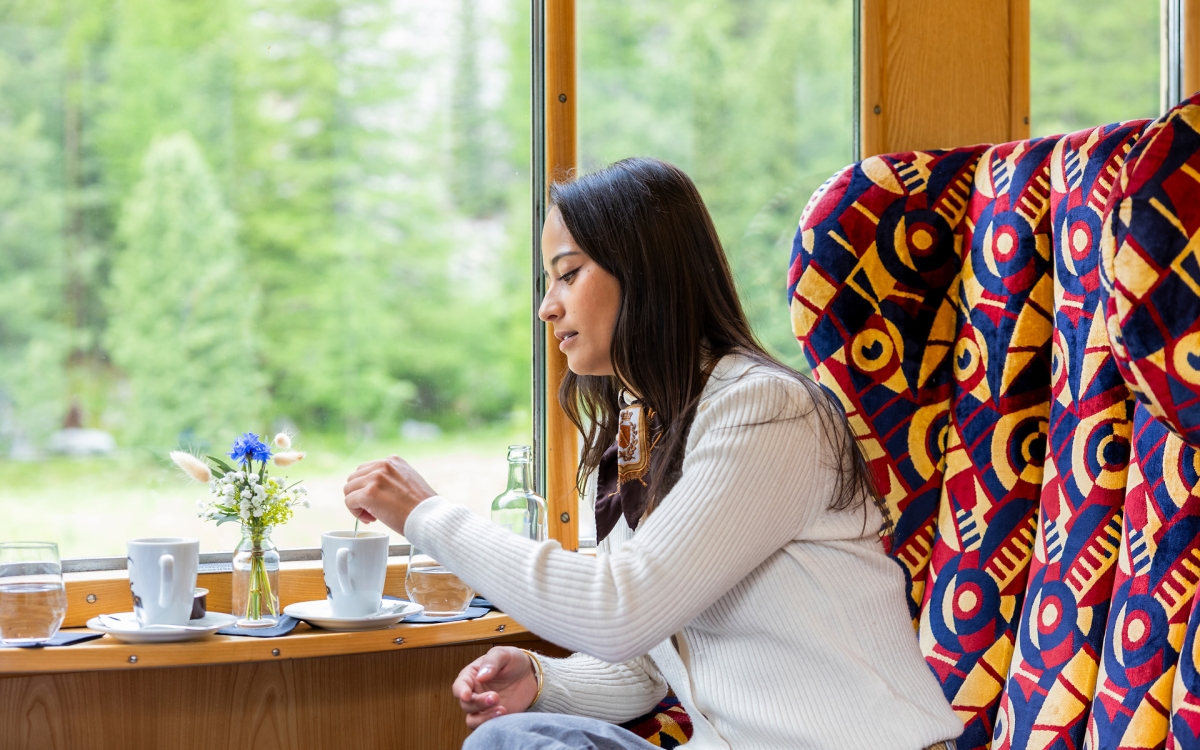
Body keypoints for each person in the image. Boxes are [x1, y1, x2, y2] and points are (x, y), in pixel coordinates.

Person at [343, 157, 961, 750]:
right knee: (511, 737)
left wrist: (426, 514)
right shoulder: (638, 436)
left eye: (568, 273)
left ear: (642, 274)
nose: (546, 306)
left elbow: (620, 609)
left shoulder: (767, 410)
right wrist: (543, 679)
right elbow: (642, 665)